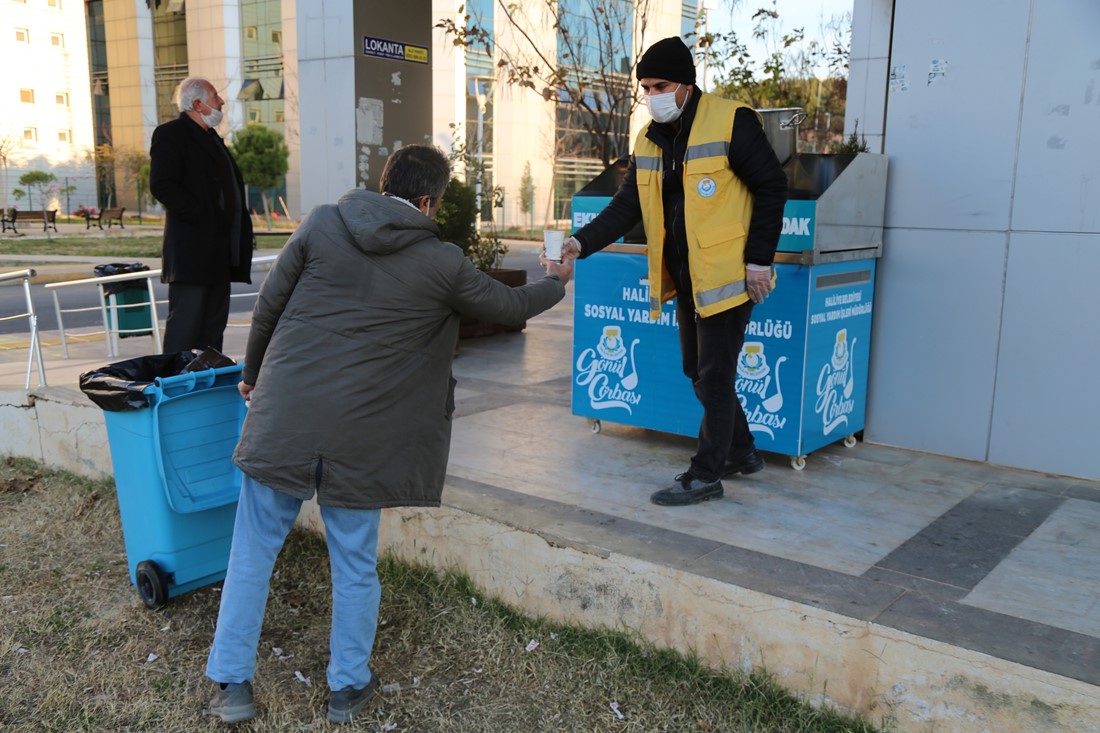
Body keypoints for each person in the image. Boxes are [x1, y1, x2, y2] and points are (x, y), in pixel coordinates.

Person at [204, 144, 574, 724]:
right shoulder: (442, 260)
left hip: (285, 416)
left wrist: (252, 377)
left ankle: (231, 686)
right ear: (428, 200)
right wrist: (556, 281)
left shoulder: (324, 222)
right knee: (354, 561)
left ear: (383, 183)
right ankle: (346, 689)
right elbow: (508, 305)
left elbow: (269, 305)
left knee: (251, 552)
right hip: (364, 437)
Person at [562, 36, 787, 507]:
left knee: (715, 373)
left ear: (686, 84)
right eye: (645, 87)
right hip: (685, 276)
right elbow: (627, 208)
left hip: (728, 277)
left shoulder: (731, 121)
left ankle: (707, 473)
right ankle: (742, 450)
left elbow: (771, 185)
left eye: (660, 85)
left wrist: (759, 261)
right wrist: (579, 243)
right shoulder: (648, 138)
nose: (652, 95)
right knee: (698, 371)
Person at [149, 76, 254, 354]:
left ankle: (205, 391)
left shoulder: (212, 138)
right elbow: (162, 185)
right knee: (185, 332)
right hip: (192, 254)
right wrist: (204, 217)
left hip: (219, 255)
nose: (221, 102)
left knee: (212, 333)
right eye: (215, 96)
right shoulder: (171, 134)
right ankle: (175, 391)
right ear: (197, 104)